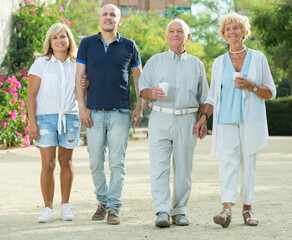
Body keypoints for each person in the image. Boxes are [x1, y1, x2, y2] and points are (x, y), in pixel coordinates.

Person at [194, 12, 276, 228]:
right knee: (227, 163)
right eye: (228, 29)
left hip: (253, 121)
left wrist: (253, 86)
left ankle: (248, 209)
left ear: (243, 32)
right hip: (226, 120)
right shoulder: (219, 62)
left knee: (249, 164)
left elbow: (271, 92)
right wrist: (203, 116)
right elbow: (212, 96)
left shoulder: (258, 58)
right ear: (224, 34)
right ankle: (226, 210)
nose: (232, 32)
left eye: (236, 28)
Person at [76, 4, 142, 225]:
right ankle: (102, 201)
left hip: (120, 113)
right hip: (93, 112)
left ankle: (113, 207)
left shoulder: (130, 46)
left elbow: (138, 79)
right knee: (95, 162)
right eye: (105, 14)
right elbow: (80, 78)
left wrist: (140, 106)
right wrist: (82, 107)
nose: (108, 17)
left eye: (113, 15)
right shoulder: (86, 44)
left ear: (119, 21)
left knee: (117, 163)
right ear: (99, 19)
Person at [139, 19, 209, 228]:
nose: (175, 34)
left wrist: (203, 118)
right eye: (171, 31)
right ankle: (162, 210)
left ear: (188, 37)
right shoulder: (154, 61)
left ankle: (179, 210)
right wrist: (150, 93)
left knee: (184, 168)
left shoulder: (197, 64)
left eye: (180, 31)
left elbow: (205, 98)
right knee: (159, 167)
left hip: (187, 120)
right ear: (167, 36)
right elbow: (142, 91)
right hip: (160, 117)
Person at [27, 23, 81, 223]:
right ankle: (47, 208)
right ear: (50, 42)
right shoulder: (41, 63)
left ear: (69, 41)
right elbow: (31, 95)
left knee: (66, 162)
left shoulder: (77, 64)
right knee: (47, 164)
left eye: (63, 37)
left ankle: (65, 205)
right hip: (45, 118)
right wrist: (33, 123)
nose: (59, 41)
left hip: (70, 117)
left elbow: (82, 93)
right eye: (55, 37)